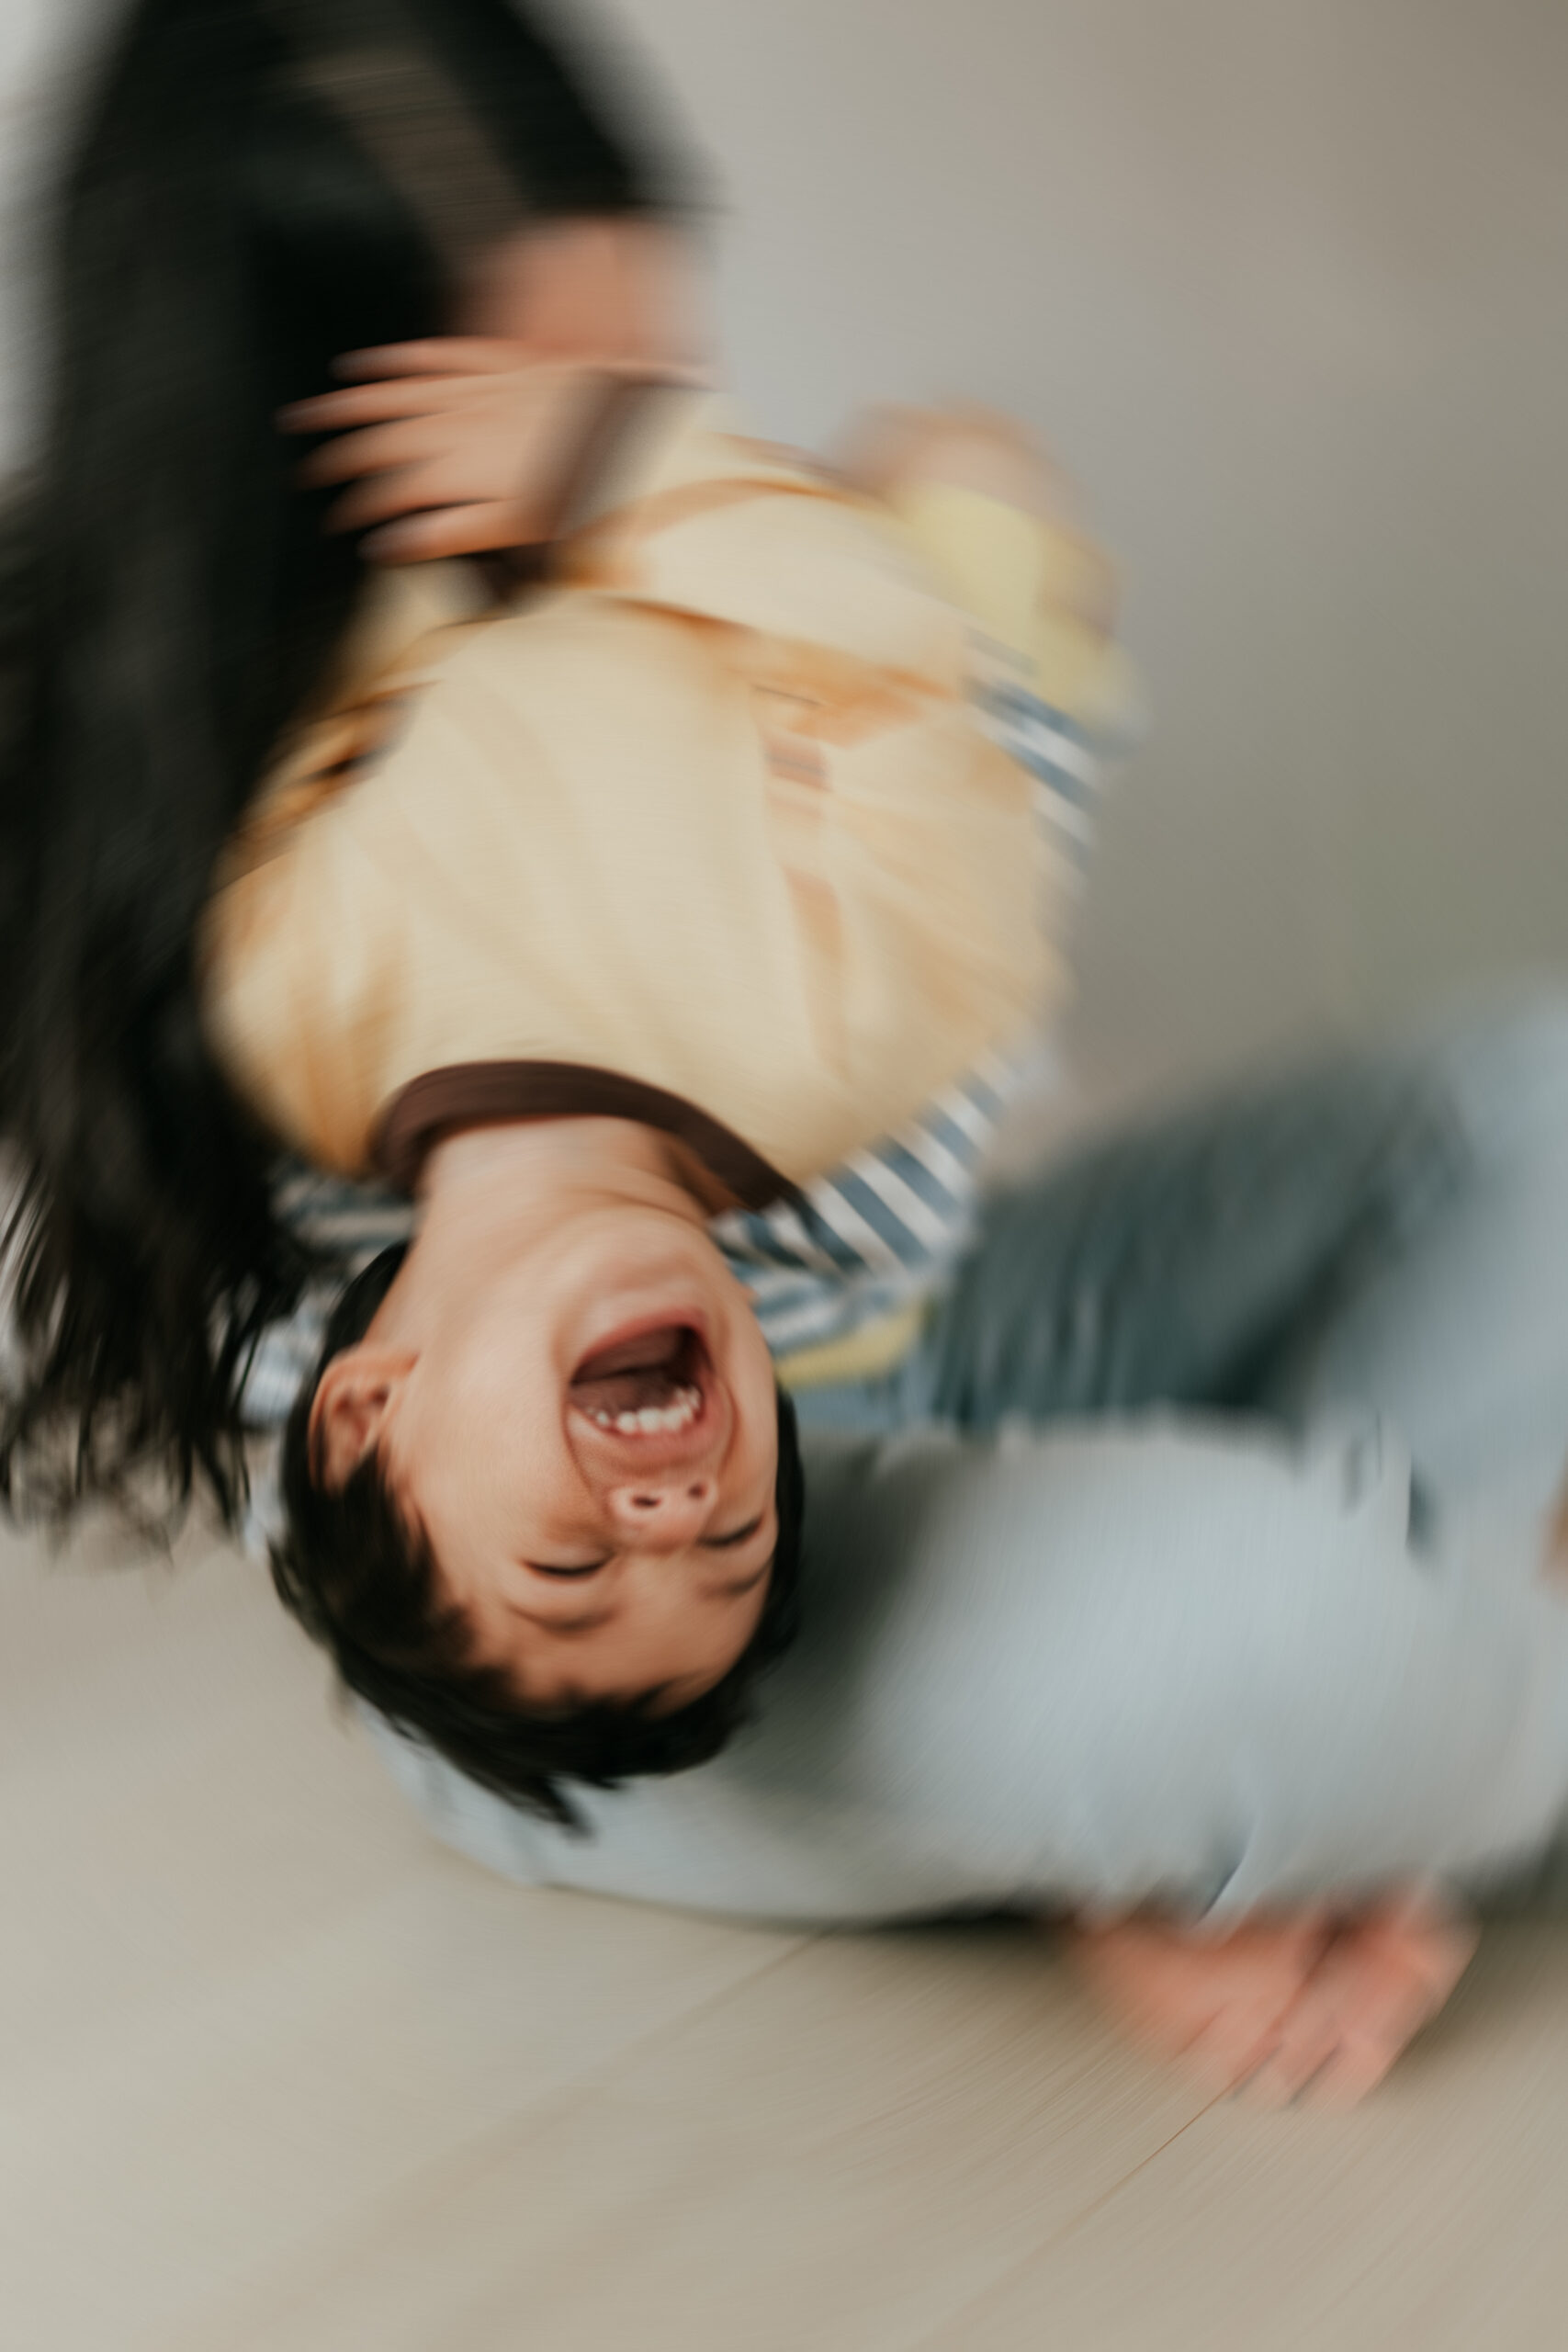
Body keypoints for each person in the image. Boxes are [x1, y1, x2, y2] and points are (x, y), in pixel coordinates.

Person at [0, 0, 1126, 1803]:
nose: (675, 1511)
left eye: (649, 373)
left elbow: (912, 661)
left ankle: (1092, 1777)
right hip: (508, 1608)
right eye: (520, 410)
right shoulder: (809, 1060)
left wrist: (757, 506)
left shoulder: (308, 1021)